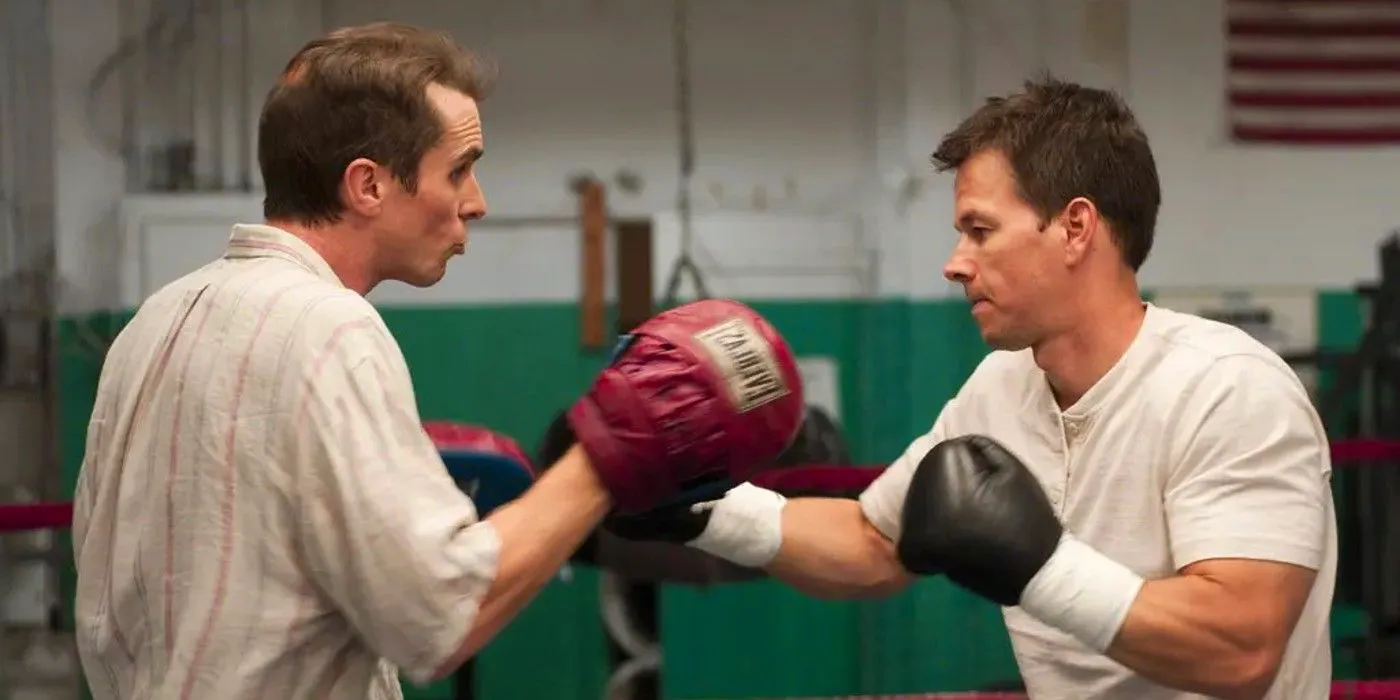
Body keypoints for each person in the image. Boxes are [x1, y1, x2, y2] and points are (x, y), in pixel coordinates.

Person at [69, 21, 805, 700]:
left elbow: (104, 603)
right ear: (368, 185)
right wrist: (609, 454)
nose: (476, 202)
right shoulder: (330, 329)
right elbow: (435, 616)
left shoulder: (154, 322)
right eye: (459, 170)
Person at [614, 76, 1337, 700]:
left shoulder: (1227, 389)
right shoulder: (1003, 385)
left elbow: (1241, 649)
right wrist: (706, 507)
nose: (955, 263)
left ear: (1075, 228)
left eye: (980, 230)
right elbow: (873, 541)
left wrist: (1042, 568)